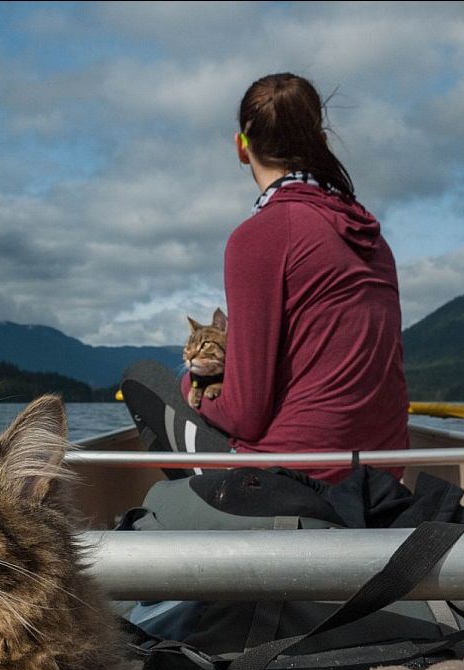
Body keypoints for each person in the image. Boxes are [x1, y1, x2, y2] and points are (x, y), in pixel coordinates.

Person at [122, 72, 409, 483]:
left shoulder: (259, 236)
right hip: (381, 480)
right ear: (320, 141)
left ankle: (215, 515)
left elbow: (245, 414)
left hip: (294, 480)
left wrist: (191, 386)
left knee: (142, 376)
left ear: (242, 148)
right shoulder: (372, 238)